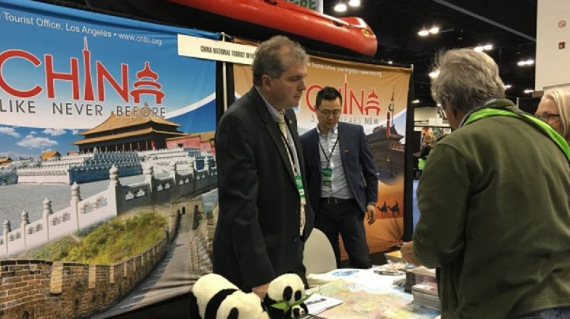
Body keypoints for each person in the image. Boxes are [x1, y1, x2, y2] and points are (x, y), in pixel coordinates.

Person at [401, 48, 570, 318]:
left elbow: (436, 247)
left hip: (502, 304)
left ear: (449, 104)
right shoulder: (549, 138)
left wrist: (415, 250)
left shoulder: (456, 148)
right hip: (560, 296)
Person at [212, 35, 314, 300]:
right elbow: (240, 207)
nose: (304, 86)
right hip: (257, 269)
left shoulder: (287, 114)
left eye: (303, 77)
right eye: (294, 79)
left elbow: (293, 176)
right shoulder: (238, 122)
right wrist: (260, 276)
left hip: (288, 252)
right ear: (267, 81)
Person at [300, 86, 377, 269]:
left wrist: (371, 201)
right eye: (326, 112)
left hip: (350, 206)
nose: (331, 117)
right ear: (316, 110)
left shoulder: (355, 133)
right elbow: (305, 177)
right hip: (322, 209)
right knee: (328, 260)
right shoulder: (306, 141)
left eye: (336, 112)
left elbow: (370, 170)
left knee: (361, 260)